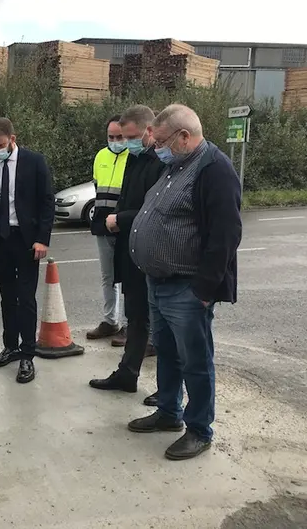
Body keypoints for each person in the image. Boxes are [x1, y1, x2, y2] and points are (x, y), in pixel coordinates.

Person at [126, 104, 242, 461]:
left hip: (187, 286)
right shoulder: (175, 165)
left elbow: (226, 234)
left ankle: (199, 430)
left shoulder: (214, 170)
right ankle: (169, 413)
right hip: (158, 281)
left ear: (183, 137)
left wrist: (204, 290)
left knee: (195, 360)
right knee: (168, 354)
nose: (155, 146)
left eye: (160, 141)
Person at [89, 105, 164, 405]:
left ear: (149, 131)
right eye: (122, 136)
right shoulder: (136, 159)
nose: (127, 141)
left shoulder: (159, 162)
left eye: (132, 136)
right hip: (132, 249)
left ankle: (168, 390)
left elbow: (155, 209)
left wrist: (120, 219)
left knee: (161, 322)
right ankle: (127, 373)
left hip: (153, 252)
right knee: (136, 318)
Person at [0, 117, 55, 384]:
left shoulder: (35, 162)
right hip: (0, 241)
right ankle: (10, 346)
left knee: (25, 298)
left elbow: (46, 202)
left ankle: (27, 355)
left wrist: (43, 239)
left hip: (27, 240)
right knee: (7, 297)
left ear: (12, 138)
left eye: (0, 144)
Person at [85, 115, 129, 345]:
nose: (114, 141)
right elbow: (97, 187)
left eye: (119, 137)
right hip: (103, 223)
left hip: (126, 224)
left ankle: (131, 326)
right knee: (108, 276)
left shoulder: (133, 155)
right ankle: (110, 321)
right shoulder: (101, 155)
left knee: (130, 277)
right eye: (110, 137)